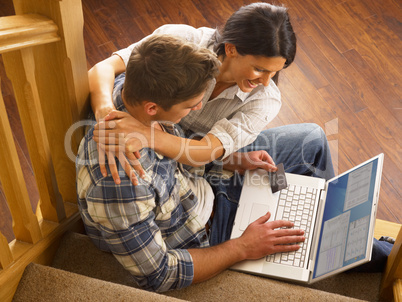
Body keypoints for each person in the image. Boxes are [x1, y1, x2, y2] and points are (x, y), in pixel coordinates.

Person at [77, 35, 306, 293]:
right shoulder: (121, 186)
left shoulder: (130, 92)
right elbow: (161, 275)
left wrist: (228, 162)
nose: (199, 108)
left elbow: (176, 161)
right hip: (201, 236)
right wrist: (243, 247)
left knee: (314, 140)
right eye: (191, 105)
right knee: (300, 242)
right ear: (152, 108)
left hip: (200, 187)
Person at [89, 2, 336, 186]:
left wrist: (145, 134)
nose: (265, 82)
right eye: (259, 69)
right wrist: (107, 117)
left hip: (193, 150)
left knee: (313, 140)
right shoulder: (183, 41)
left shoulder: (266, 99)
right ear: (231, 49)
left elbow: (205, 152)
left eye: (274, 72)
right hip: (176, 153)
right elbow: (103, 68)